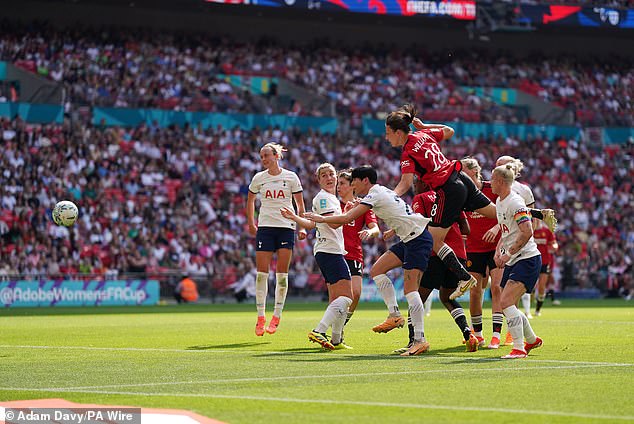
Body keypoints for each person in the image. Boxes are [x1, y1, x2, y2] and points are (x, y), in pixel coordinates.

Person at [304, 165, 433, 356]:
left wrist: (319, 219)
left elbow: (348, 217)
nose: (352, 185)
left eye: (354, 181)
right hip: (408, 238)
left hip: (417, 239)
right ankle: (394, 315)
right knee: (377, 271)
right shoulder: (380, 192)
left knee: (410, 291)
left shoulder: (373, 195)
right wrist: (394, 230)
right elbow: (398, 211)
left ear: (365, 181)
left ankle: (420, 340)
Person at [385, 104, 497, 300]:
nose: (386, 138)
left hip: (447, 189)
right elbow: (449, 131)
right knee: (497, 213)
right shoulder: (424, 136)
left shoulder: (408, 152)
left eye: (388, 133)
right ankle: (537, 213)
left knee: (434, 240)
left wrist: (388, 197)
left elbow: (405, 183)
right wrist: (424, 126)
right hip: (461, 177)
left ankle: (464, 277)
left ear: (398, 132)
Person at [382, 177, 478, 353]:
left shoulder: (421, 198)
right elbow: (466, 229)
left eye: (416, 183)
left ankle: (414, 341)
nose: (414, 186)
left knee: (416, 297)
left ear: (426, 183)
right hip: (458, 255)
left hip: (434, 254)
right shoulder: (450, 197)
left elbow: (417, 225)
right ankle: (468, 334)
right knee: (448, 298)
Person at [281, 163, 353, 350]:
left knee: (338, 299)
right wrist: (351, 212)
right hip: (330, 251)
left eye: (331, 174)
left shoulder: (330, 199)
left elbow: (314, 224)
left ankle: (336, 339)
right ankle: (319, 330)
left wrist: (295, 218)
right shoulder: (324, 198)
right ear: (318, 180)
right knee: (347, 297)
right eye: (324, 176)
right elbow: (334, 224)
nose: (329, 178)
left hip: (328, 250)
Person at [247, 142, 307, 336]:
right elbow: (250, 200)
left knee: (282, 275)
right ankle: (260, 317)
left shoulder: (291, 177)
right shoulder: (259, 178)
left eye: (266, 155)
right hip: (265, 227)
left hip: (286, 228)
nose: (263, 159)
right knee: (261, 274)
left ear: (277, 156)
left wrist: (302, 225)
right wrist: (251, 222)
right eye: (261, 156)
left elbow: (300, 204)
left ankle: (277, 316)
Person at [491, 163, 543, 359]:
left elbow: (527, 231)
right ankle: (531, 340)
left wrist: (508, 253)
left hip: (527, 259)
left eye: (492, 179)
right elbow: (506, 231)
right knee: (507, 305)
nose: (490, 183)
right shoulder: (500, 201)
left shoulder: (515, 202)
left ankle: (519, 348)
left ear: (501, 181)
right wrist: (498, 251)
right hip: (514, 259)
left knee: (505, 302)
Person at [461, 157, 504, 349]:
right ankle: (477, 334)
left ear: (474, 172)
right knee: (475, 291)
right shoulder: (461, 193)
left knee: (497, 287)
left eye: (462, 171)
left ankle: (496, 335)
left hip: (496, 247)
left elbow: (506, 214)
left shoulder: (492, 190)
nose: (458, 175)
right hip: (473, 248)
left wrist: (496, 228)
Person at [337, 169, 380, 327]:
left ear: (352, 186)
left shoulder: (363, 206)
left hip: (354, 254)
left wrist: (370, 231)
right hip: (336, 254)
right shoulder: (333, 205)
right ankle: (335, 331)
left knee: (355, 294)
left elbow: (375, 229)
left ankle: (340, 326)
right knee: (340, 295)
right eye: (337, 184)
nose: (338, 187)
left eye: (342, 183)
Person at [533, 218, 558, 316]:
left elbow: (554, 243)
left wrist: (555, 247)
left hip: (545, 261)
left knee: (542, 286)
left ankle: (537, 310)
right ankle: (526, 309)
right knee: (529, 286)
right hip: (532, 261)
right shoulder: (529, 230)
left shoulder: (546, 231)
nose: (536, 221)